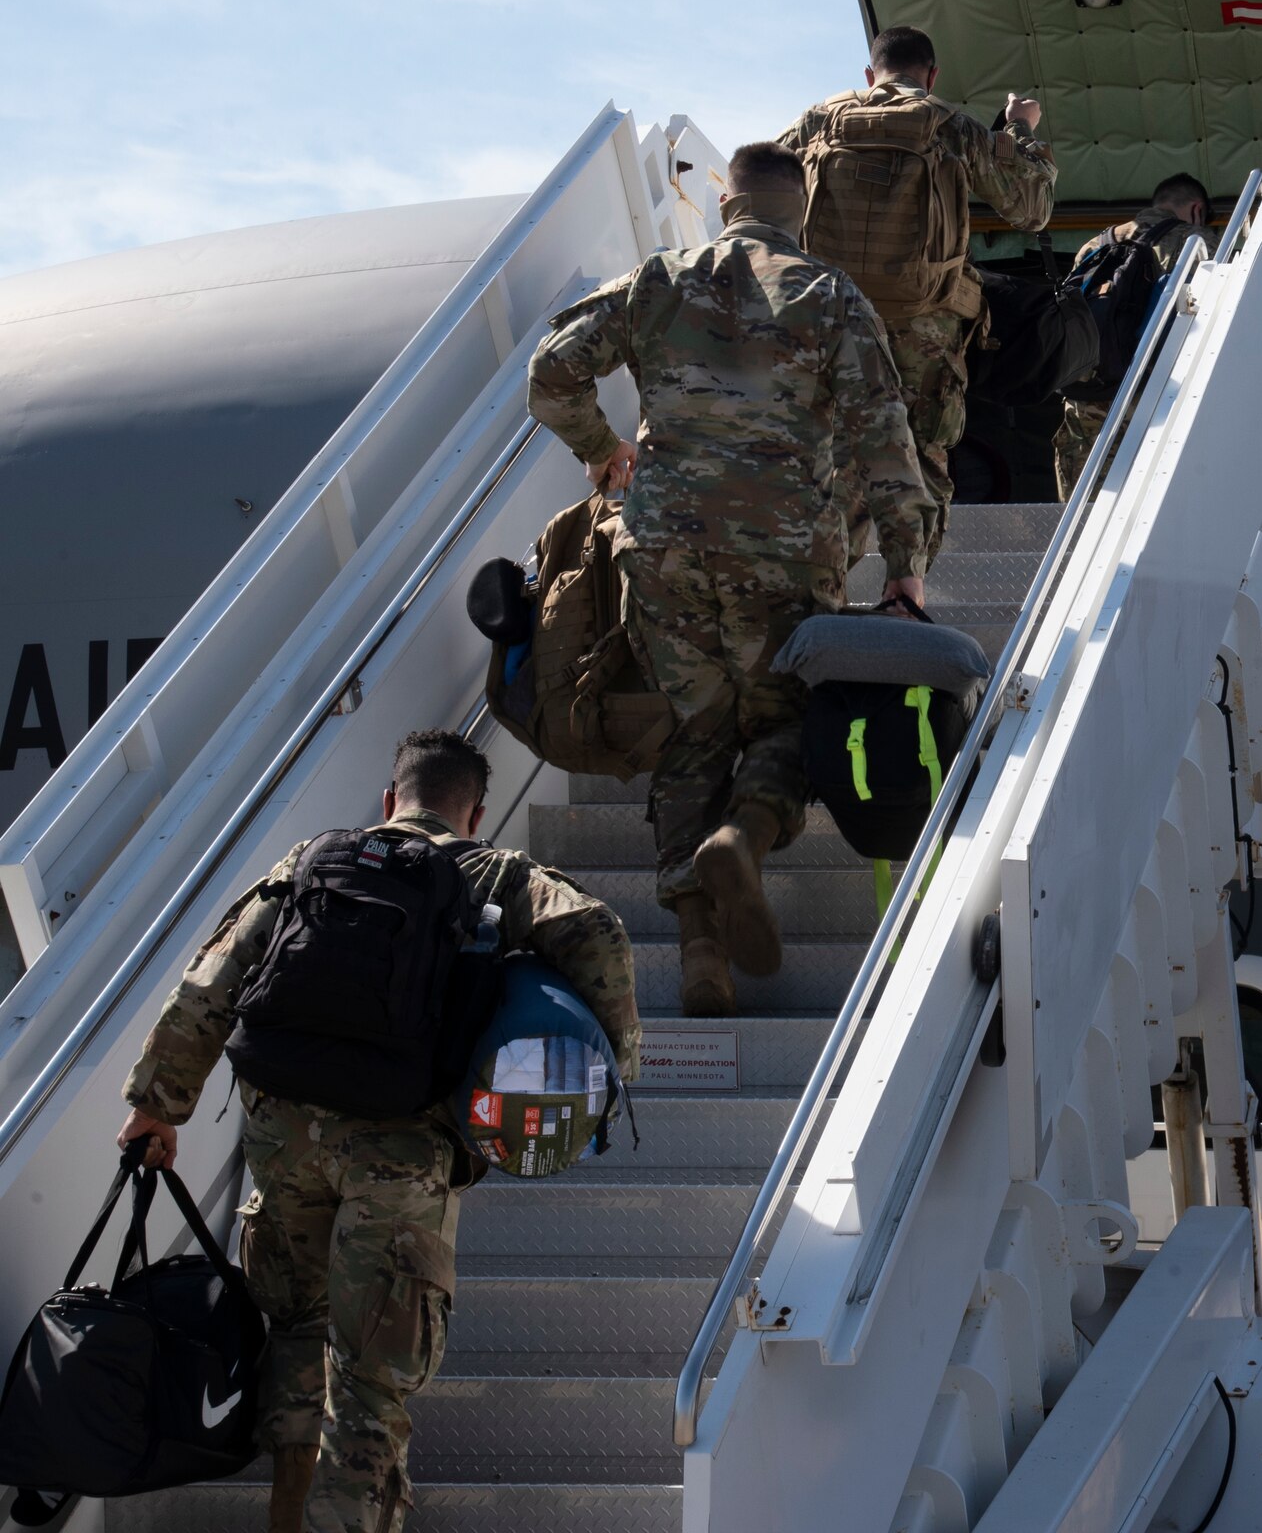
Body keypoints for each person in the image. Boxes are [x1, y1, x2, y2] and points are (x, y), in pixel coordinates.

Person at [116, 728, 639, 1533]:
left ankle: (290, 1511)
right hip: (401, 1149)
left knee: (297, 1328)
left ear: (389, 800)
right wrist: (612, 1077)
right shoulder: (493, 872)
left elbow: (211, 979)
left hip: (282, 1134)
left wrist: (158, 1106)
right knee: (369, 1380)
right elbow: (598, 934)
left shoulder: (313, 861)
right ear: (475, 812)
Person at [527, 140, 935, 1018]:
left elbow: (550, 373)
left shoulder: (656, 281)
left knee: (693, 731)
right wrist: (905, 570)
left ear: (727, 206)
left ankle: (700, 953)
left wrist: (605, 454)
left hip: (663, 549)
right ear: (801, 212)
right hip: (784, 554)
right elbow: (884, 443)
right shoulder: (829, 296)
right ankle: (744, 835)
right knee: (787, 719)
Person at [779, 24, 1057, 564]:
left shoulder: (816, 122)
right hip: (923, 329)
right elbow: (1031, 209)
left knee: (833, 452)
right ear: (931, 76)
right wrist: (1021, 130)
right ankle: (907, 588)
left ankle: (823, 584)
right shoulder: (948, 124)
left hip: (831, 320)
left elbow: (759, 198)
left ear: (869, 73)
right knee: (920, 456)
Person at [1053, 174, 1216, 500]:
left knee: (1084, 508)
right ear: (1197, 209)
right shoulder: (1196, 241)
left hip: (1085, 393)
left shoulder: (1095, 245)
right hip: (1150, 396)